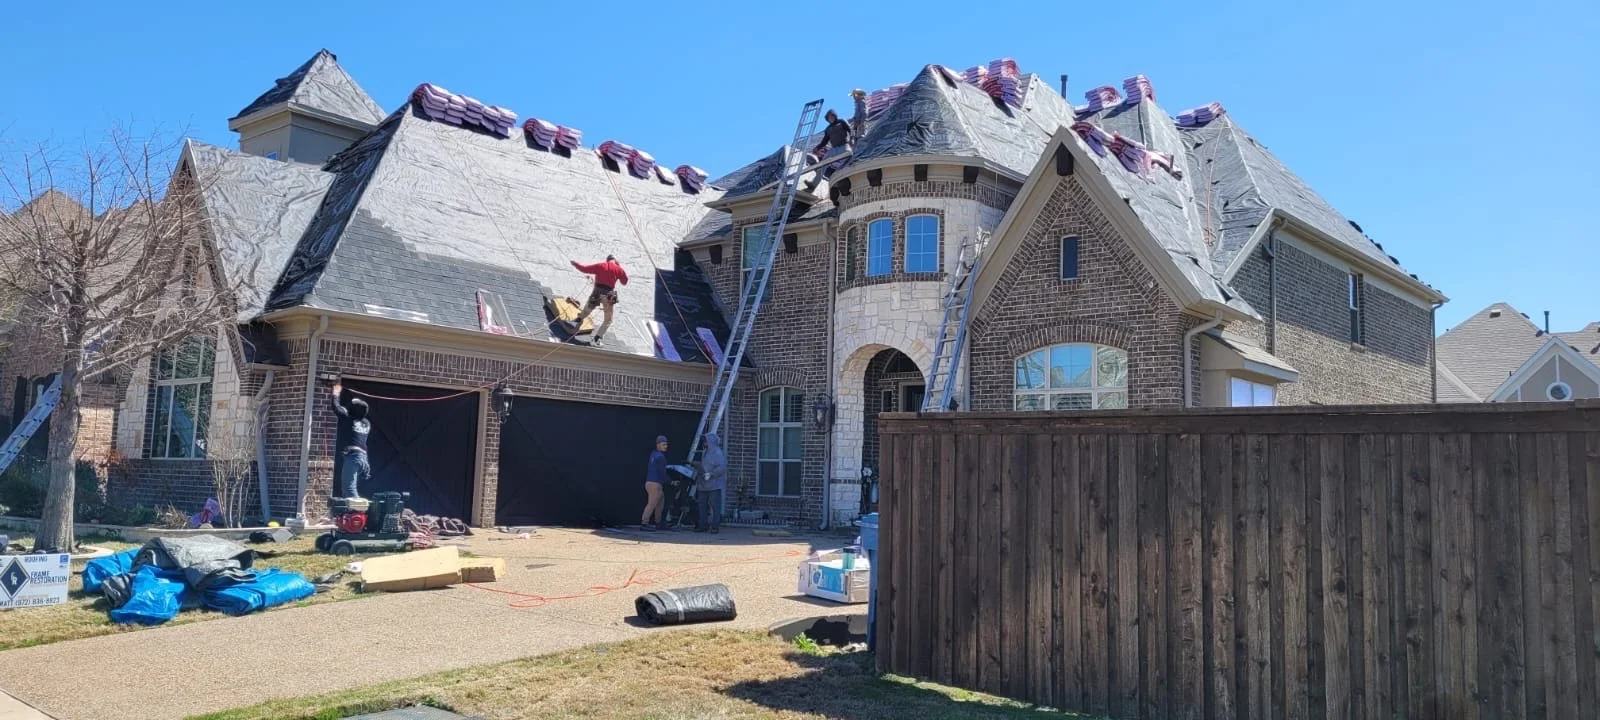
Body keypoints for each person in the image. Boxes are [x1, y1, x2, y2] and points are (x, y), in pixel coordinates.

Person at [569, 255, 629, 346]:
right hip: (609, 294)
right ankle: (597, 339)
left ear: (607, 260)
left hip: (597, 291)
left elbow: (584, 269)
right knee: (608, 319)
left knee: (588, 309)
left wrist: (575, 264)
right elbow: (624, 282)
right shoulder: (618, 269)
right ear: (615, 261)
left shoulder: (600, 265)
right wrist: (618, 268)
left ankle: (577, 320)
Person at [330, 383, 370, 500]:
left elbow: (336, 407)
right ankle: (351, 513)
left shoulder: (348, 419)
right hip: (364, 459)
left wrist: (336, 393)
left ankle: (358, 513)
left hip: (353, 457)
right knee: (350, 488)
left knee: (349, 488)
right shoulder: (367, 423)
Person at [805, 109, 854, 192]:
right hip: (834, 149)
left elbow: (850, 130)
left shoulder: (841, 122)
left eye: (832, 116)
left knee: (849, 156)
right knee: (822, 164)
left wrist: (852, 139)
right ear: (827, 119)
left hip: (844, 145)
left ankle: (849, 176)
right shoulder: (828, 129)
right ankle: (813, 185)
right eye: (829, 118)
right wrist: (817, 148)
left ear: (834, 116)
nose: (830, 119)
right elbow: (824, 141)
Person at [695, 433, 727, 534]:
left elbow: (722, 468)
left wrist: (711, 474)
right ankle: (703, 525)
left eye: (705, 441)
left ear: (710, 442)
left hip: (714, 485)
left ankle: (715, 526)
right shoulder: (705, 452)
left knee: (715, 507)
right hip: (703, 485)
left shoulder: (718, 453)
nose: (704, 443)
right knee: (702, 506)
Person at [641, 434, 670, 531]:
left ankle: (659, 523)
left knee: (660, 503)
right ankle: (644, 524)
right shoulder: (661, 457)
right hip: (655, 484)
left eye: (666, 444)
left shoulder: (653, 454)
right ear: (658, 445)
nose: (666, 446)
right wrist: (671, 481)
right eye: (663, 444)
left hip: (650, 482)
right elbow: (662, 472)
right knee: (652, 504)